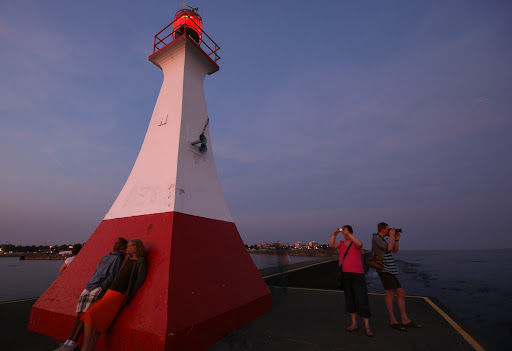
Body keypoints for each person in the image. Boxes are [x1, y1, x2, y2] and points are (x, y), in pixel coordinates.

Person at [55, 238, 127, 351]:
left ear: (123, 247)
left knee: (85, 316)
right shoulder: (105, 257)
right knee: (79, 315)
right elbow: (97, 270)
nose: (115, 244)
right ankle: (68, 341)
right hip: (90, 285)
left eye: (119, 243)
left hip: (98, 287)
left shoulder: (117, 258)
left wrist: (102, 287)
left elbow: (112, 275)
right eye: (115, 242)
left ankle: (72, 344)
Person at [80, 239, 147, 351]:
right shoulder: (127, 259)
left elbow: (139, 280)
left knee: (90, 314)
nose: (129, 248)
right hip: (111, 290)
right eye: (129, 246)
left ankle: (85, 348)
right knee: (100, 323)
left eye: (132, 246)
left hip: (119, 293)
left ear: (138, 247)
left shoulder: (140, 261)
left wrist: (129, 294)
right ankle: (89, 348)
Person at [372, 222, 422, 331]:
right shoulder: (376, 238)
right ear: (383, 229)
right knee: (389, 293)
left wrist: (397, 239)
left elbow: (394, 250)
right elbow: (389, 249)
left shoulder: (385, 239)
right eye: (388, 229)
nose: (390, 231)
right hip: (384, 269)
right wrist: (391, 237)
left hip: (391, 269)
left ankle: (405, 320)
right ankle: (392, 320)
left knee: (401, 292)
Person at [329, 225, 373, 336]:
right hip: (345, 274)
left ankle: (367, 326)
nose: (344, 234)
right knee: (350, 299)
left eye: (346, 232)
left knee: (362, 298)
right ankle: (354, 324)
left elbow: (360, 244)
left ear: (351, 233)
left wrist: (349, 235)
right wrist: (334, 234)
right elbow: (331, 245)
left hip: (358, 274)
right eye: (343, 232)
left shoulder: (355, 243)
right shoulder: (341, 243)